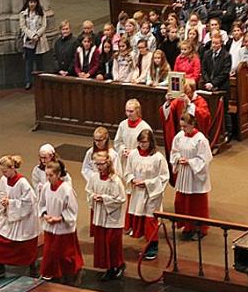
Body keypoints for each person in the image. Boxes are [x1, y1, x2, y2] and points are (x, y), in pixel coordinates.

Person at [0, 155, 39, 280]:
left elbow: (29, 202)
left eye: (5, 171)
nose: (3, 174)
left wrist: (11, 203)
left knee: (25, 247)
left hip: (22, 219)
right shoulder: (4, 180)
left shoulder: (22, 183)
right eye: (2, 171)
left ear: (12, 168)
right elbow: (1, 194)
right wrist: (3, 201)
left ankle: (33, 266)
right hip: (8, 214)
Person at [124, 129, 170, 260]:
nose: (142, 145)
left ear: (151, 142)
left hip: (152, 194)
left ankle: (153, 246)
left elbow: (164, 177)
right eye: (140, 142)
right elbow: (128, 171)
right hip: (138, 192)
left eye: (145, 142)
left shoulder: (158, 158)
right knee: (142, 218)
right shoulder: (133, 155)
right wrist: (132, 179)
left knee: (150, 220)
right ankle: (147, 242)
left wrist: (147, 183)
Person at [37, 159, 84, 282]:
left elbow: (73, 209)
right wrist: (45, 214)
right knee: (49, 251)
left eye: (51, 175)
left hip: (63, 227)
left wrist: (60, 218)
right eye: (46, 175)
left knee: (64, 254)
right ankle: (50, 272)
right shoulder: (46, 187)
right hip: (50, 225)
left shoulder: (66, 189)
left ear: (58, 175)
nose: (48, 178)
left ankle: (72, 272)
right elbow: (41, 203)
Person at [170, 113, 213, 240]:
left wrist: (190, 162)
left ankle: (200, 229)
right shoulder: (179, 136)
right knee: (182, 201)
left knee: (196, 203)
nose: (183, 129)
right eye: (181, 126)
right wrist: (178, 159)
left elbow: (205, 158)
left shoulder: (200, 139)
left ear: (192, 125)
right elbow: (174, 152)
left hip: (195, 174)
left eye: (185, 126)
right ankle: (187, 226)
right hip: (184, 173)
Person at [86, 151, 127, 280]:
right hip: (100, 214)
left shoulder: (115, 181)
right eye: (96, 164)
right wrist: (94, 196)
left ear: (108, 163)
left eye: (101, 164)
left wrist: (104, 198)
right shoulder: (94, 177)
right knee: (103, 242)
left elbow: (121, 199)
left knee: (112, 242)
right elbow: (89, 192)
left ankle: (119, 265)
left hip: (112, 216)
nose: (98, 167)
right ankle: (109, 267)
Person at [19, 0, 49, 89]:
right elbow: (23, 26)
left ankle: (40, 81)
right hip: (29, 41)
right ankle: (28, 81)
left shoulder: (41, 13)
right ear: (28, 3)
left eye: (34, 2)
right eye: (31, 2)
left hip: (39, 40)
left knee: (39, 62)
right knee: (29, 62)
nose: (32, 4)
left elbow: (44, 26)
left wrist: (37, 35)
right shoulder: (23, 14)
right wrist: (31, 35)